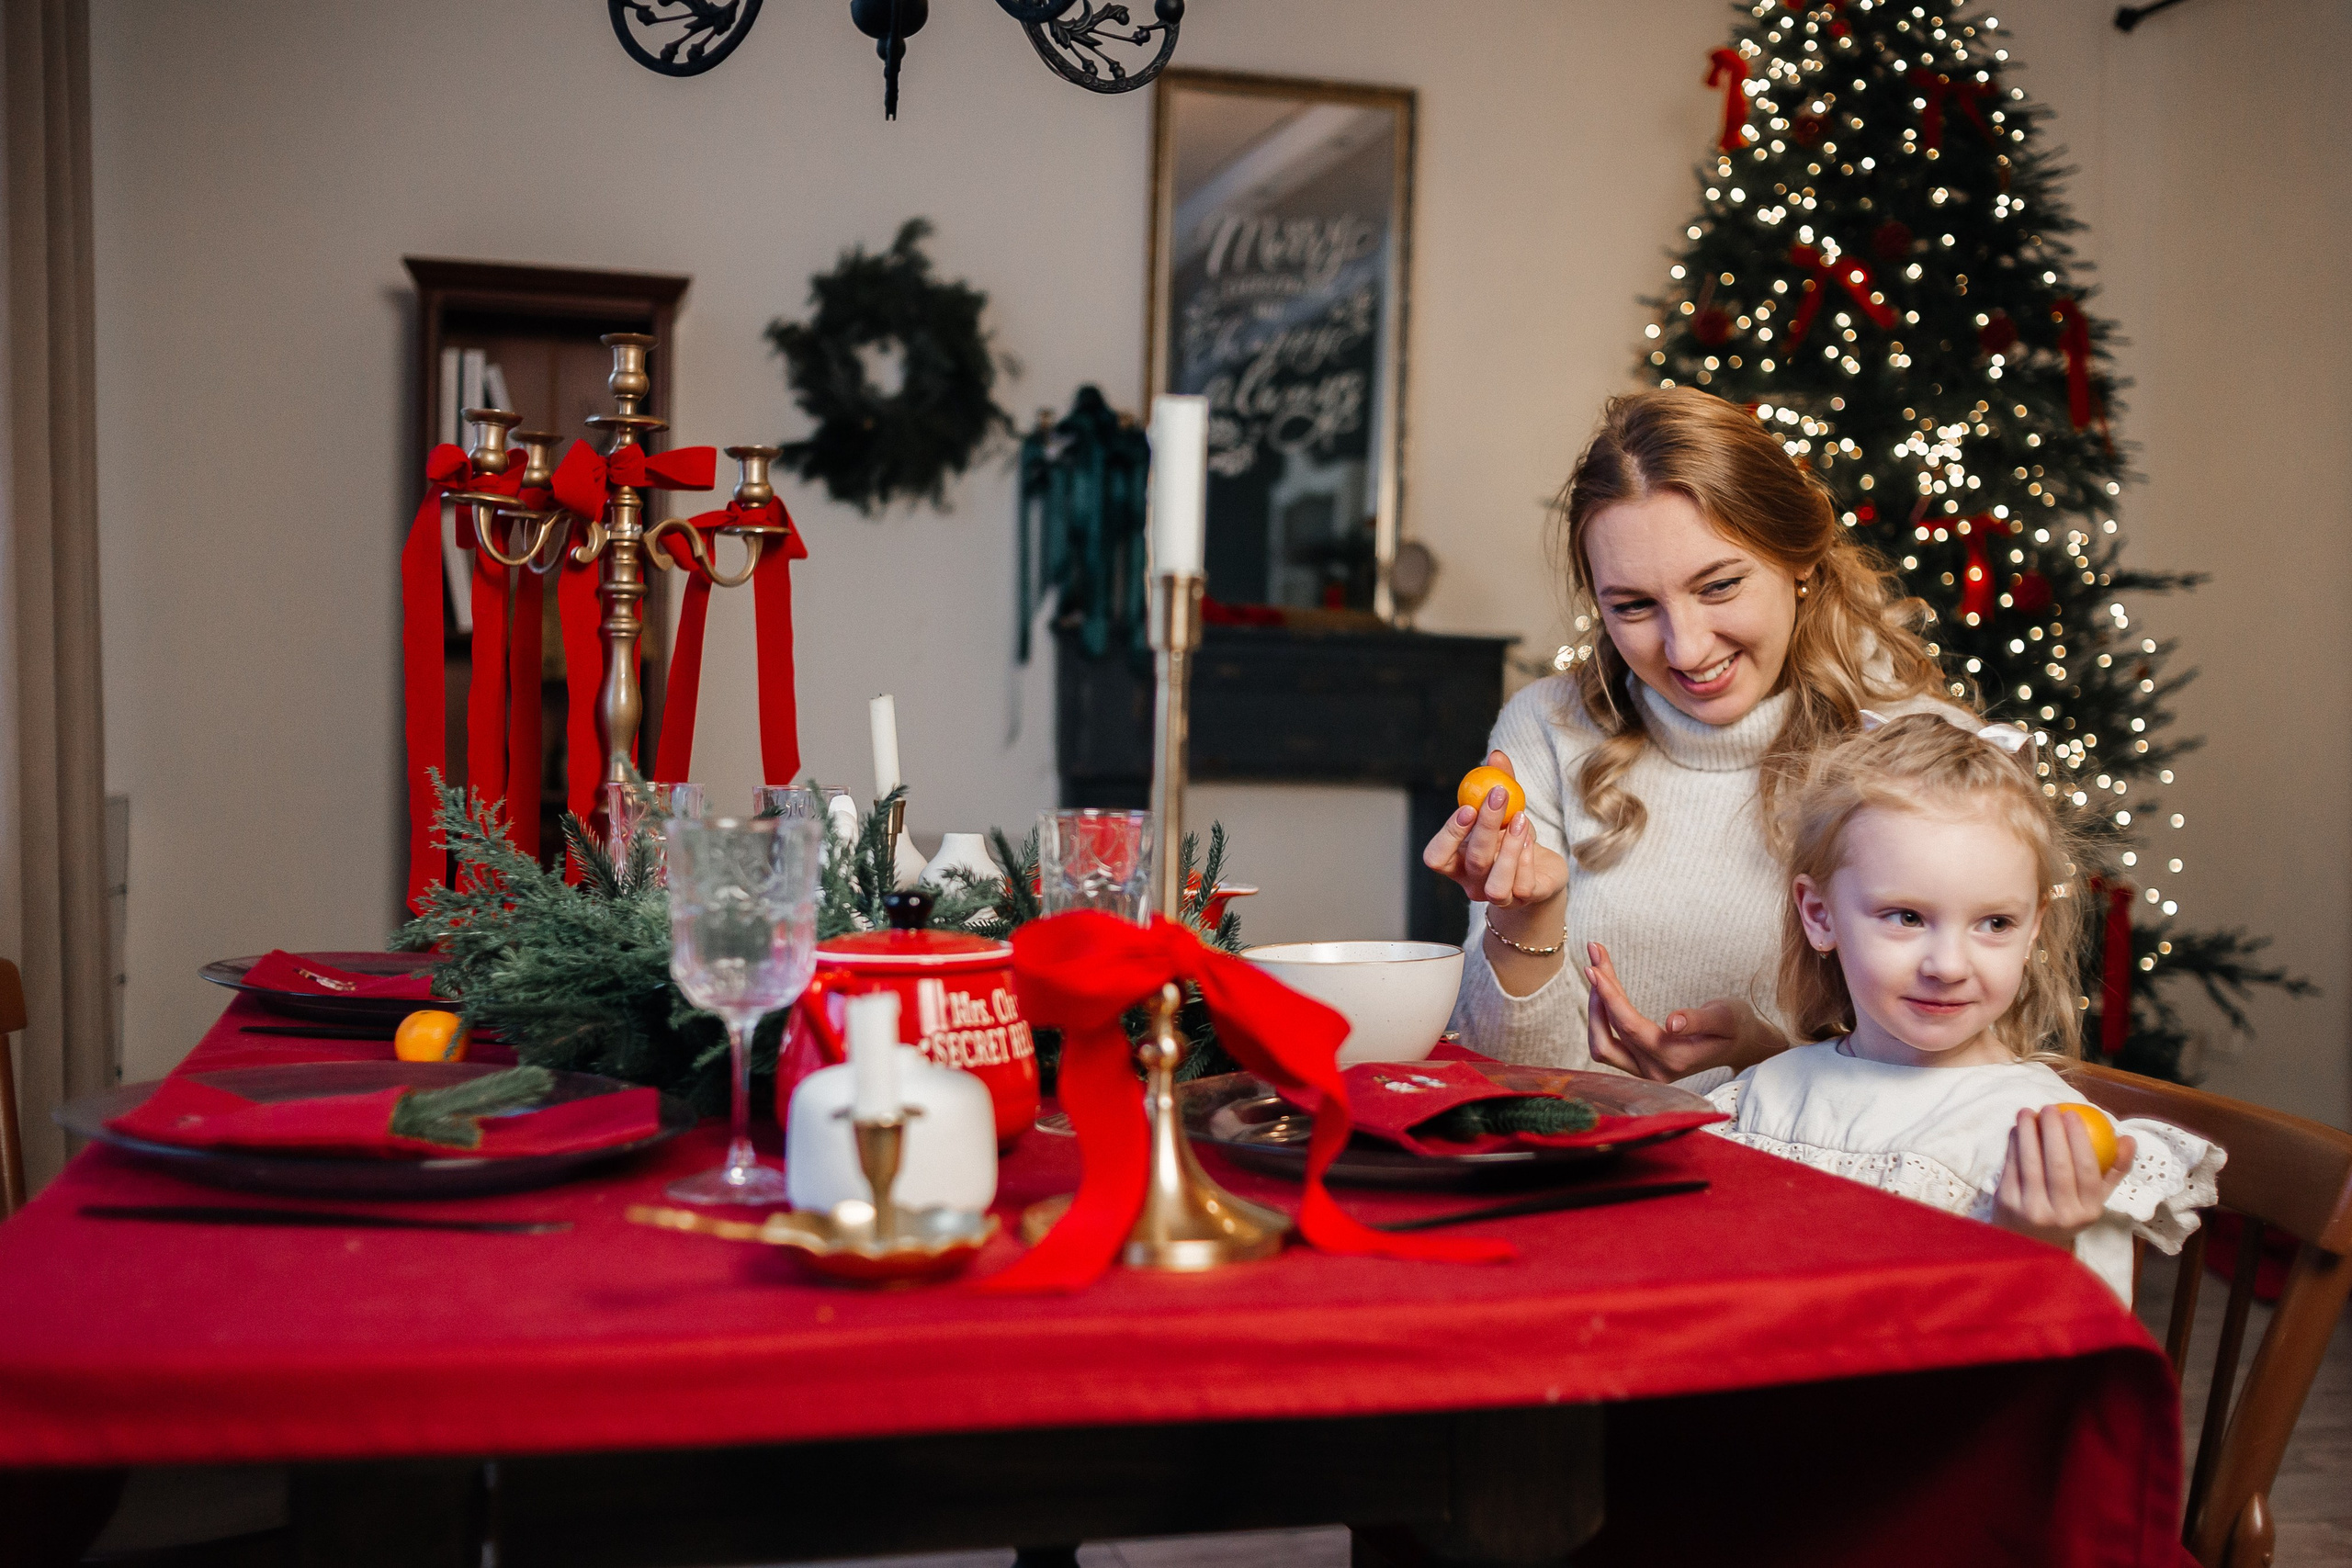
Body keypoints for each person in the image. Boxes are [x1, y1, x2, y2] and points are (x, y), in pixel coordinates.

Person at [1428, 386, 1957, 1076]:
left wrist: (1771, 1063)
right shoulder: (1546, 727)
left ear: (1799, 553)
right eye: (1635, 605)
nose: (1685, 650)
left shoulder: (1918, 748)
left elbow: (1962, 1077)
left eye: (1718, 587)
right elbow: (1511, 1080)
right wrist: (1528, 917)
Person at [1702, 711, 2220, 1303]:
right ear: (1819, 915)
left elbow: (2078, 1373)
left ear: (2033, 930)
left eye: (1994, 923)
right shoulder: (1761, 1099)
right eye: (1907, 917)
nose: (1948, 966)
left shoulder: (2043, 1138)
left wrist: (2037, 1241)